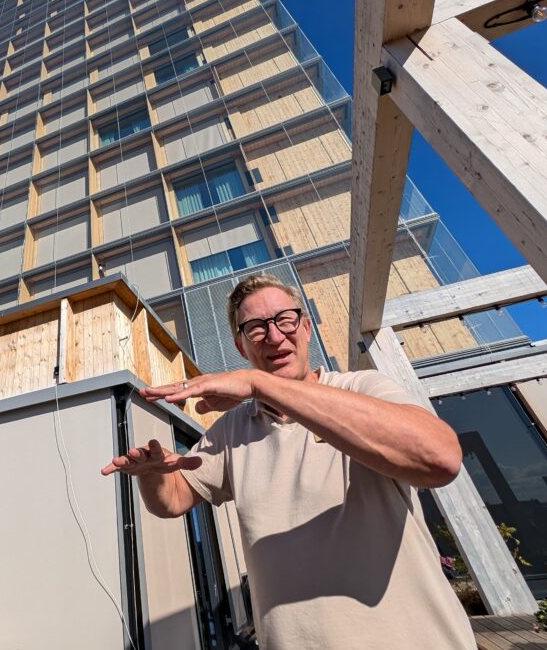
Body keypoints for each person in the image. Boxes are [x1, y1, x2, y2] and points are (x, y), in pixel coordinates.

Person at [100, 274, 477, 649]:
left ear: (306, 327)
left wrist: (258, 384)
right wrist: (152, 475)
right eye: (256, 329)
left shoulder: (361, 388)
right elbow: (174, 500)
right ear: (241, 345)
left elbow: (439, 458)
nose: (276, 336)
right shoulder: (234, 428)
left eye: (285, 320)